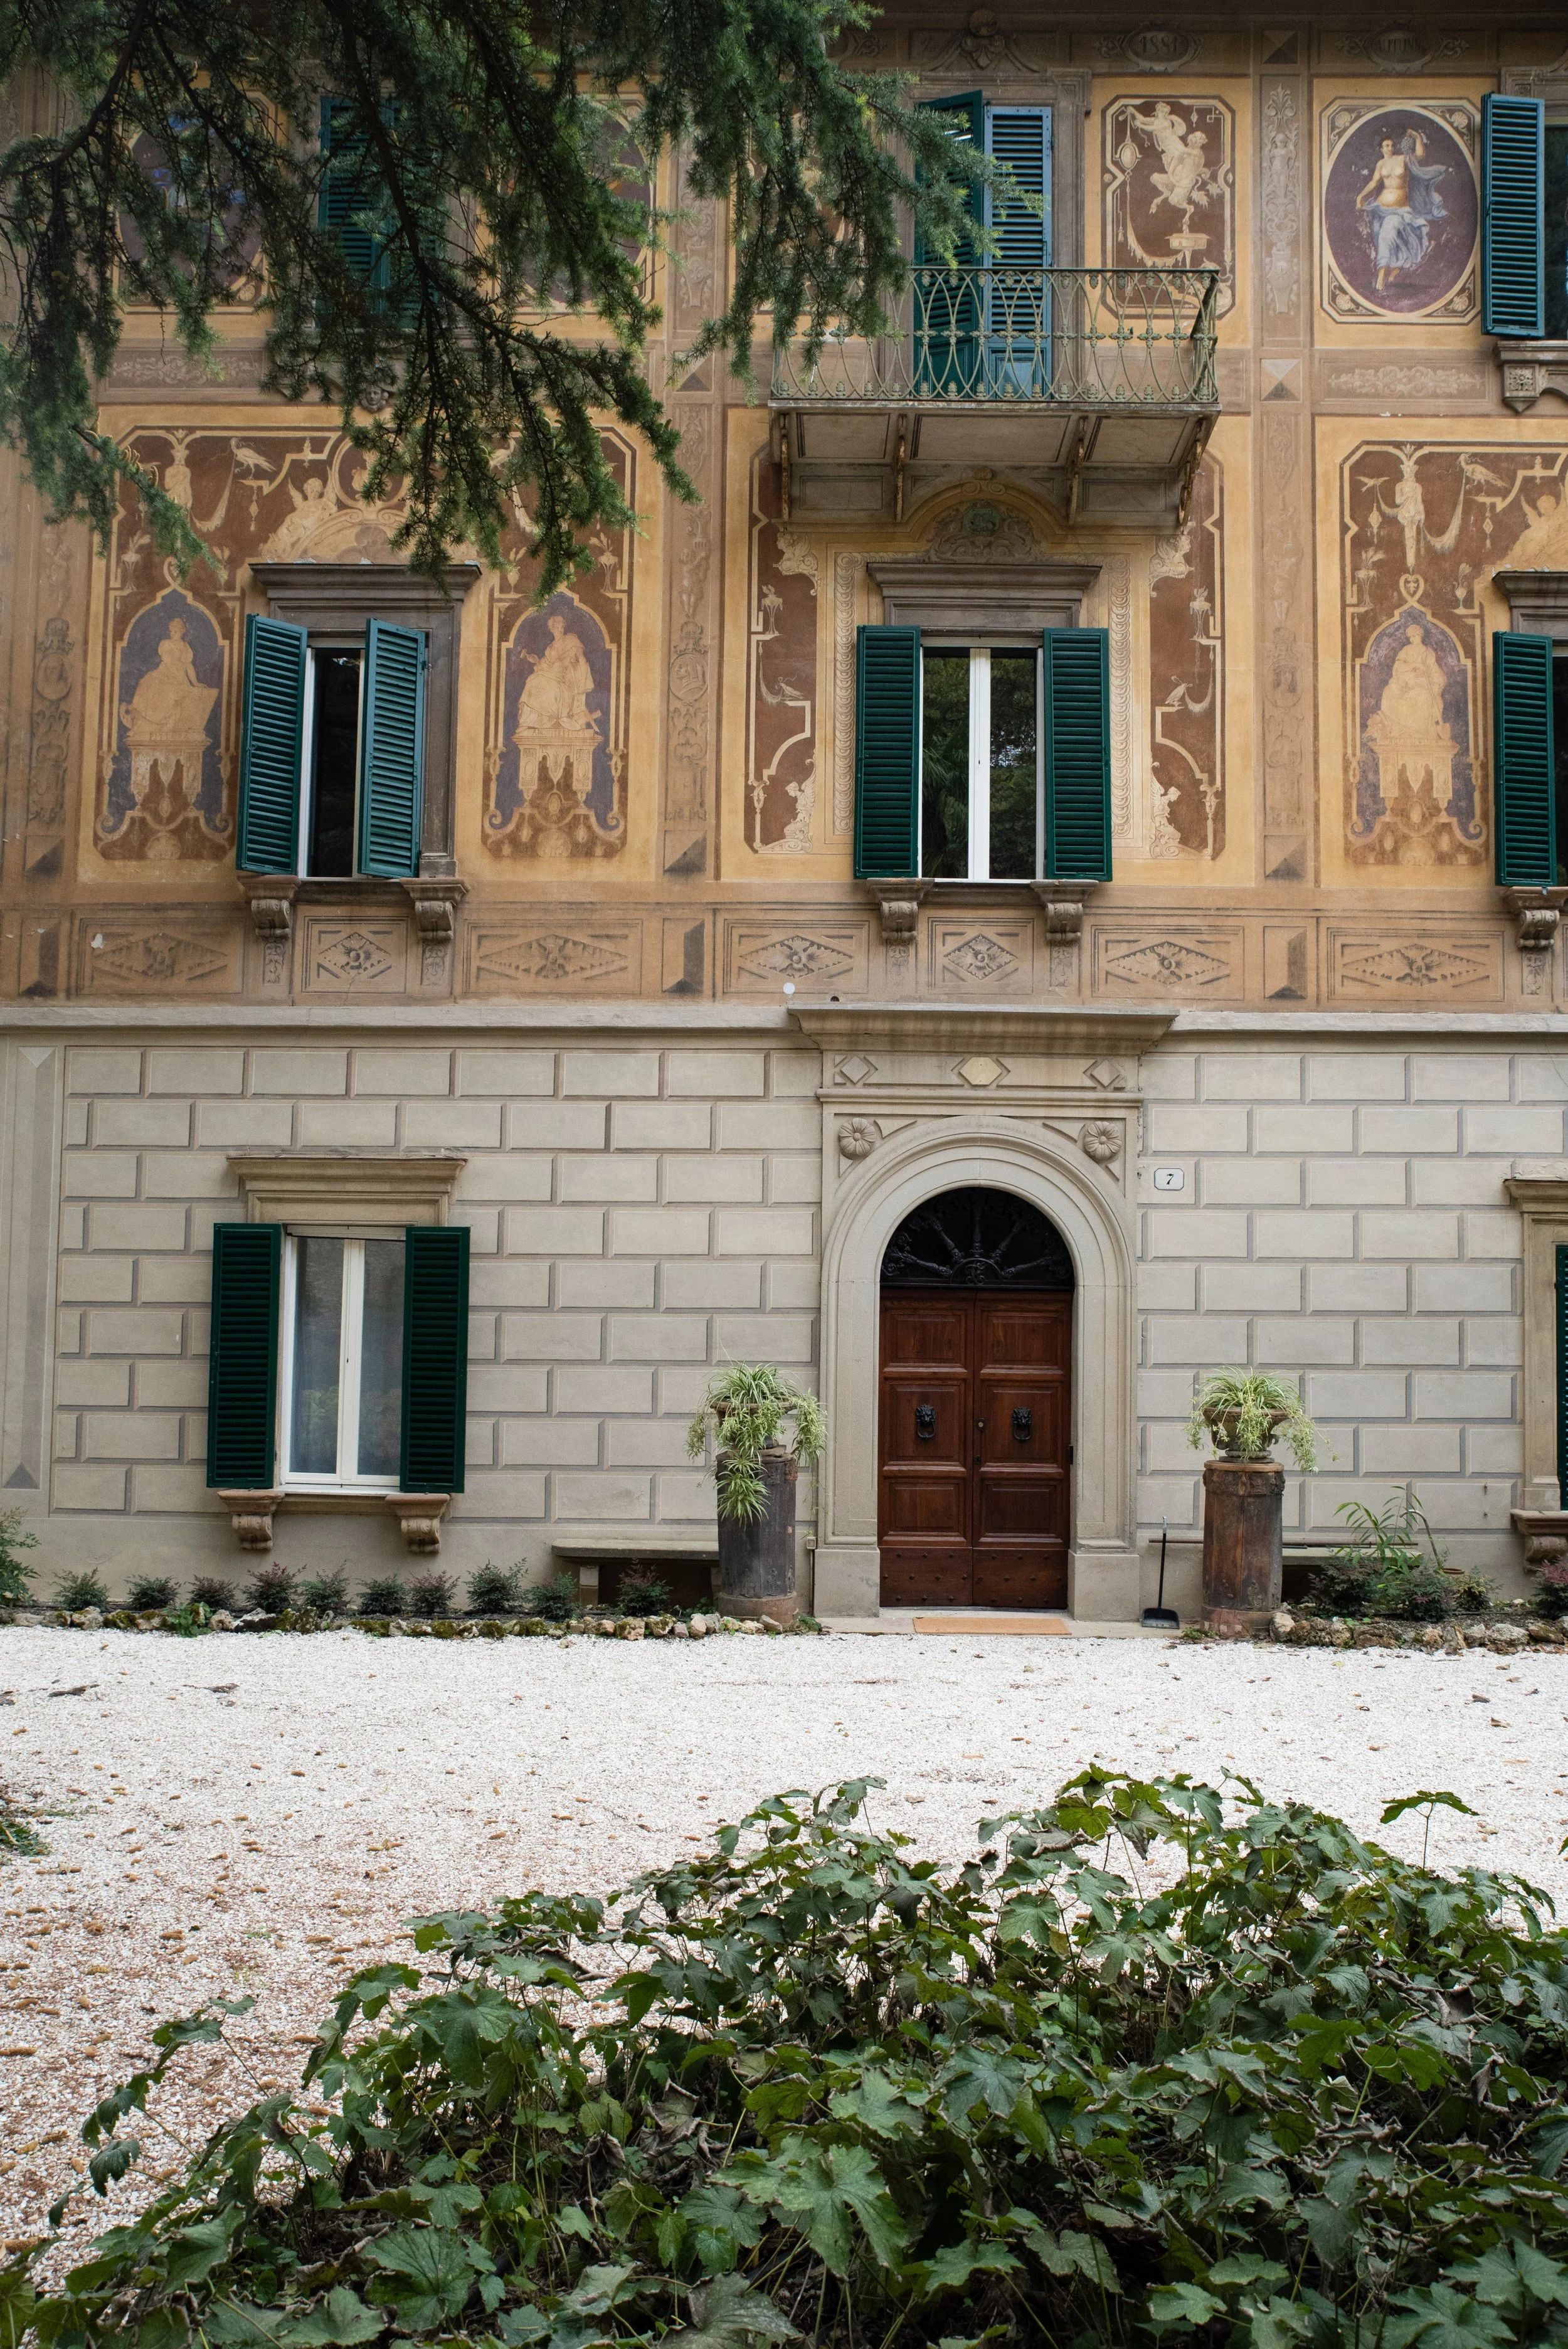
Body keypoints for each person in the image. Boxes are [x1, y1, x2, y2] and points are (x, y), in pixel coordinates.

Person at [1355, 129, 1447, 291]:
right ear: (1381, 148)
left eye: (1392, 145)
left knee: (1386, 236)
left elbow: (1420, 155)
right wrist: (1360, 196)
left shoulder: (1402, 159)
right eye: (1387, 146)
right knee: (1383, 241)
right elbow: (1374, 182)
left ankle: (1381, 275)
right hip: (1380, 209)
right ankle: (1395, 268)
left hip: (1399, 210)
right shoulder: (1381, 164)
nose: (1390, 148)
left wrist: (1417, 138)